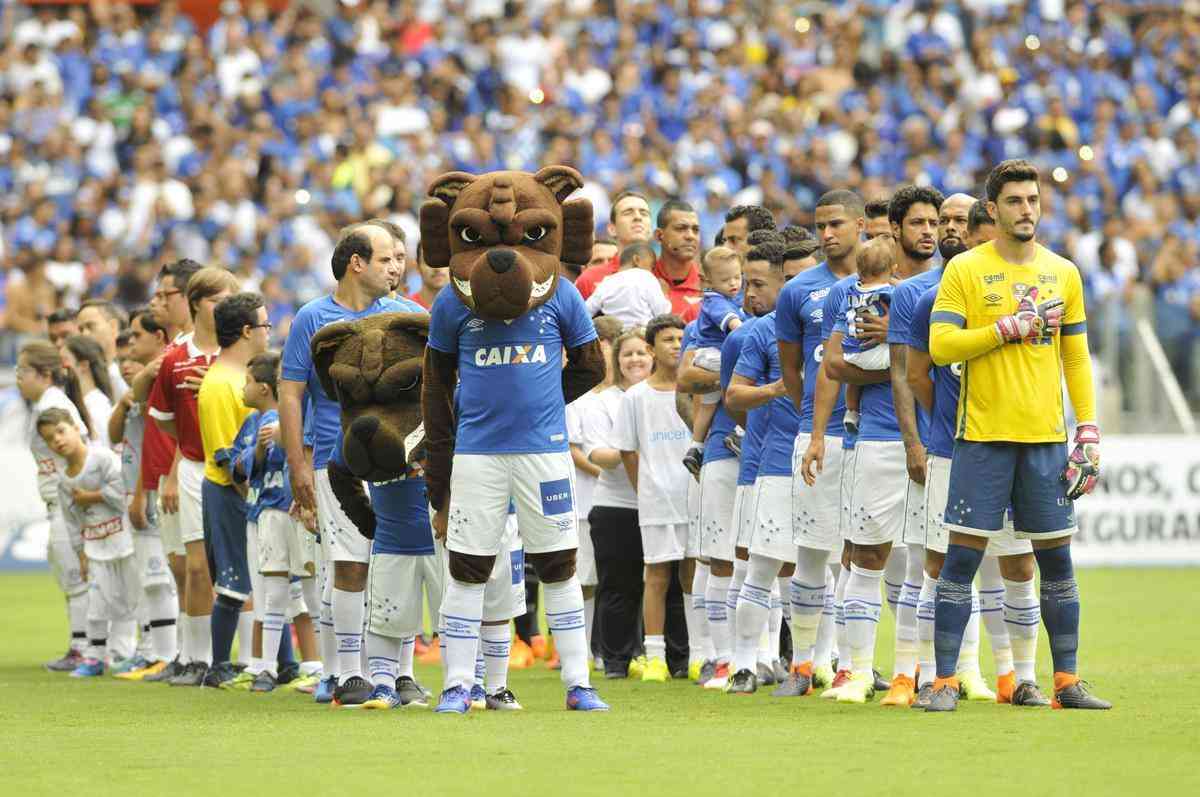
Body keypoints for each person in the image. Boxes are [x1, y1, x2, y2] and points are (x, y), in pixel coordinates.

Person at [926, 159, 1110, 711]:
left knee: (1056, 561)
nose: (1026, 209)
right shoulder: (966, 270)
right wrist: (1004, 330)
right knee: (960, 562)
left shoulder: (1064, 272)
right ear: (993, 208)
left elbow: (1074, 354)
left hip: (1046, 440)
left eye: (1032, 200)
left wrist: (1089, 428)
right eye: (1015, 201)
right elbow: (941, 347)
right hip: (982, 437)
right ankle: (944, 684)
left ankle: (1066, 682)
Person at [425, 248, 609, 713]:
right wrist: (438, 478)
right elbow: (436, 386)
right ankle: (459, 684)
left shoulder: (559, 292)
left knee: (560, 565)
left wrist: (546, 401)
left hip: (544, 453)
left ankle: (578, 682)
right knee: (467, 568)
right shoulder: (453, 301)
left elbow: (592, 366)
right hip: (477, 456)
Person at [279, 222, 419, 706]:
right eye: (387, 259)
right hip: (335, 460)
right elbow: (292, 393)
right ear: (356, 263)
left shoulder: (409, 315)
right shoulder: (313, 318)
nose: (398, 267)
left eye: (400, 258)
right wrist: (297, 463)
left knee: (398, 565)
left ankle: (401, 673)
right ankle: (348, 673)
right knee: (349, 565)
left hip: (400, 463)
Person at [909, 284, 1049, 708]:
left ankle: (1022, 680)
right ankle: (935, 678)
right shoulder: (933, 300)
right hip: (952, 453)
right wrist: (952, 425)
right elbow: (916, 373)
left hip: (1015, 449)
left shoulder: (1030, 291)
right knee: (938, 564)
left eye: (960, 219)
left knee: (1020, 566)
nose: (950, 228)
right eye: (945, 218)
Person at [775, 192, 866, 698]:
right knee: (811, 555)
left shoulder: (887, 283)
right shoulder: (798, 291)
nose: (827, 233)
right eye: (820, 225)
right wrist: (811, 417)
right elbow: (793, 368)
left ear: (860, 225)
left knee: (867, 557)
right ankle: (804, 665)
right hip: (819, 434)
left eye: (836, 224)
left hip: (872, 436)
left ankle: (855, 665)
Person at [148, 266, 240, 687]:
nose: (225, 309)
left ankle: (252, 660)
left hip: (239, 468)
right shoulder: (175, 359)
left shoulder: (241, 352)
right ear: (198, 303)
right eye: (218, 301)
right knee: (199, 567)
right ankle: (198, 658)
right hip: (193, 466)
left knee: (246, 563)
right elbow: (164, 420)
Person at [723, 241, 801, 693]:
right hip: (768, 464)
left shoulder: (828, 327)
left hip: (824, 459)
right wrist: (775, 392)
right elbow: (733, 398)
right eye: (746, 284)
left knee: (821, 571)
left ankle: (817, 662)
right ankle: (745, 663)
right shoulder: (753, 333)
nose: (749, 293)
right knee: (759, 566)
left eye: (758, 284)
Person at [195, 292, 271, 687]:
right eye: (265, 325)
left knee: (261, 580)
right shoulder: (223, 385)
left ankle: (279, 663)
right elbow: (229, 458)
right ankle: (218, 665)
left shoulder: (235, 378)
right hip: (229, 493)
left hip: (242, 492)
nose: (268, 333)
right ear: (246, 331)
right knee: (232, 581)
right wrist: (254, 499)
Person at [613, 314, 692, 684]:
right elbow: (628, 450)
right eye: (669, 340)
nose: (676, 345)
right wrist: (644, 489)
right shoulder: (635, 397)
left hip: (696, 496)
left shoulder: (696, 388)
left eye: (681, 338)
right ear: (651, 348)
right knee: (657, 575)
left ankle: (700, 653)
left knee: (695, 572)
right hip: (658, 498)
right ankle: (656, 656)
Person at [224, 350, 309, 692]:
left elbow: (301, 451)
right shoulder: (253, 424)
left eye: (246, 382)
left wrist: (282, 439)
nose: (242, 389)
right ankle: (266, 668)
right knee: (272, 593)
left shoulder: (298, 414)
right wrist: (258, 451)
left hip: (297, 509)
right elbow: (241, 468)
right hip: (266, 512)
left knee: (309, 592)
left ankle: (322, 668)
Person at [134, 259, 203, 683]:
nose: (156, 302)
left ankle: (203, 654)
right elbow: (138, 395)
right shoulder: (173, 352)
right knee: (180, 567)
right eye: (156, 295)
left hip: (191, 469)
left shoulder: (196, 350)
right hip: (167, 471)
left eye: (165, 295)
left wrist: (175, 471)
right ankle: (185, 651)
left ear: (189, 298)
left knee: (195, 566)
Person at [41, 408, 138, 678]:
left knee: (130, 600)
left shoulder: (104, 458)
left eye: (60, 431)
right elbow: (72, 522)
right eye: (49, 439)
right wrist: (81, 553)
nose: (57, 441)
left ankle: (129, 653)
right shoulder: (63, 480)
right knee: (96, 604)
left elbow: (123, 494)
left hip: (124, 541)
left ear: (75, 427)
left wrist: (91, 496)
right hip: (95, 546)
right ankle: (94, 657)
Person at [108, 310, 179, 680]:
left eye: (133, 347)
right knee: (152, 576)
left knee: (159, 575)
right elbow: (114, 436)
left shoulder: (160, 376)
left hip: (157, 485)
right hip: (145, 484)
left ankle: (166, 654)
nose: (126, 361)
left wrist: (142, 491)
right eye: (121, 359)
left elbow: (157, 440)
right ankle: (155, 651)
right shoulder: (138, 388)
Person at [581, 329, 653, 679]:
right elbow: (599, 454)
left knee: (662, 584)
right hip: (616, 505)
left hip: (661, 503)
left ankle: (667, 655)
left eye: (642, 353)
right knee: (618, 585)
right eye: (628, 354)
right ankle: (615, 660)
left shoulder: (666, 395)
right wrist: (636, 451)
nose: (636, 360)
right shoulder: (601, 402)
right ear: (617, 360)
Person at [17, 340, 92, 672]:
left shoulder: (56, 405)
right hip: (59, 502)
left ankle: (85, 647)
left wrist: (81, 497)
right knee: (69, 573)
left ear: (45, 374)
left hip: (69, 503)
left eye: (23, 371)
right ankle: (84, 645)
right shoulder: (43, 405)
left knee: (76, 575)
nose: (18, 378)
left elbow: (81, 447)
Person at [565, 315, 624, 671]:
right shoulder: (578, 397)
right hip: (587, 500)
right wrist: (606, 474)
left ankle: (607, 647)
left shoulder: (625, 397)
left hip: (621, 501)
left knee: (612, 578)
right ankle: (583, 650)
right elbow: (575, 450)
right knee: (584, 577)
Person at [681, 246, 745, 477]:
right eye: (725, 279)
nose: (733, 283)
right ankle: (740, 431)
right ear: (708, 281)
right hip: (714, 355)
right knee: (747, 377)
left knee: (708, 405)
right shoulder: (716, 301)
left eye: (737, 277)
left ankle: (696, 447)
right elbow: (735, 327)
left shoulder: (728, 298)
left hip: (708, 356)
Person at [839, 242, 897, 437]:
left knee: (854, 381)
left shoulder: (851, 291)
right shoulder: (890, 292)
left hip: (852, 351)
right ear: (893, 269)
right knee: (908, 358)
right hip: (878, 354)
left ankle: (851, 410)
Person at [575, 190, 654, 299]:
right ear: (612, 229)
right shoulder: (589, 278)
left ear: (650, 228)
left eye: (644, 213)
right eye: (628, 212)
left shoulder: (665, 275)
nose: (637, 217)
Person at [584, 242, 671, 328]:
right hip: (642, 334)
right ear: (636, 260)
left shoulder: (607, 281)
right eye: (652, 266)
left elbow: (586, 310)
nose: (652, 270)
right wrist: (665, 294)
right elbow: (662, 313)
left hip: (615, 336)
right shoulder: (646, 276)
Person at [653, 200, 704, 321]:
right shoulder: (644, 280)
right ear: (659, 235)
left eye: (695, 230)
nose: (690, 236)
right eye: (681, 228)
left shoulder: (709, 286)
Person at [62, 335, 115, 446]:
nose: (60, 368)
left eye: (64, 361)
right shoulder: (78, 402)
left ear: (83, 365)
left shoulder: (97, 405)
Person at [76, 299, 130, 400]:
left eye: (90, 326)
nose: (84, 334)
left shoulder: (127, 374)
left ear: (113, 327)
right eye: (81, 329)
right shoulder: (83, 377)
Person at [405, 242, 448, 311]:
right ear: (417, 267)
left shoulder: (464, 307)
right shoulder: (406, 308)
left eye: (443, 260)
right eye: (429, 261)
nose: (437, 268)